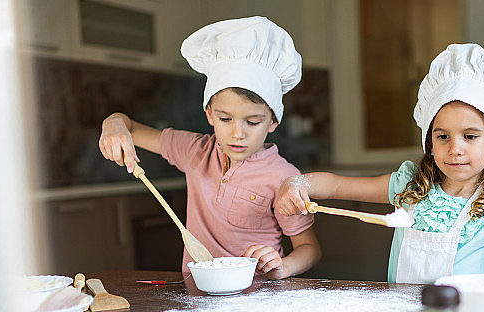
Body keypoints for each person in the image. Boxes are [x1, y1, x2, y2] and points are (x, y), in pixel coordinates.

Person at [275, 43, 484, 288]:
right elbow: (337, 185)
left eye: (470, 137)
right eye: (442, 136)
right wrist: (297, 183)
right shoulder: (409, 186)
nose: (455, 149)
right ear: (429, 142)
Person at [98, 16, 321, 279]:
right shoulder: (195, 151)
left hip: (258, 294)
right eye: (225, 119)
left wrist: (284, 266)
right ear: (209, 114)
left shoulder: (284, 177)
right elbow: (129, 127)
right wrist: (113, 124)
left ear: (273, 121)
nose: (237, 134)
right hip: (197, 292)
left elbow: (309, 249)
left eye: (252, 122)